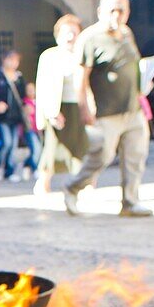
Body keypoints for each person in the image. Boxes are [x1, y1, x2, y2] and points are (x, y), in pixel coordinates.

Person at [63, 0, 151, 218]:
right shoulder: (90, 38)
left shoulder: (127, 34)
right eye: (112, 10)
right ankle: (73, 186)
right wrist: (85, 107)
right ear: (100, 12)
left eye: (121, 10)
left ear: (128, 12)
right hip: (105, 112)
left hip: (132, 109)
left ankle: (130, 202)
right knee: (101, 157)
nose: (117, 15)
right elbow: (80, 77)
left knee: (135, 156)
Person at [35, 14, 88, 194]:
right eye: (66, 32)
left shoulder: (84, 55)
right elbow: (43, 86)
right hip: (58, 107)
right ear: (58, 35)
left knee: (82, 147)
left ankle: (84, 185)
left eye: (74, 32)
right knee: (52, 147)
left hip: (80, 106)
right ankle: (43, 182)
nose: (70, 36)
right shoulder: (49, 57)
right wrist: (50, 111)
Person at [0, 50, 27, 183]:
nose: (13, 63)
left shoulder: (19, 77)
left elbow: (23, 96)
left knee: (13, 144)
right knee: (7, 142)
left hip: (15, 116)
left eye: (16, 60)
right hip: (3, 117)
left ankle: (9, 171)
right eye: (11, 60)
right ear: (4, 60)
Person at [21, 82, 42, 180]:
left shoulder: (38, 101)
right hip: (29, 129)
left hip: (38, 128)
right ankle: (35, 169)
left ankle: (26, 165)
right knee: (36, 149)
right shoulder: (24, 102)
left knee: (38, 149)